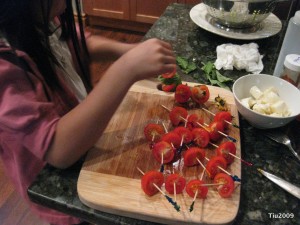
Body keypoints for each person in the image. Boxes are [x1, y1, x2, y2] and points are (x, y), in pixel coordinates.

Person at [0, 0, 176, 224]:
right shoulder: (5, 67)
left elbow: (73, 41)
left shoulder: (40, 16)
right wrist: (125, 70)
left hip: (88, 146)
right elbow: (57, 149)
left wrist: (127, 51)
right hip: (64, 190)